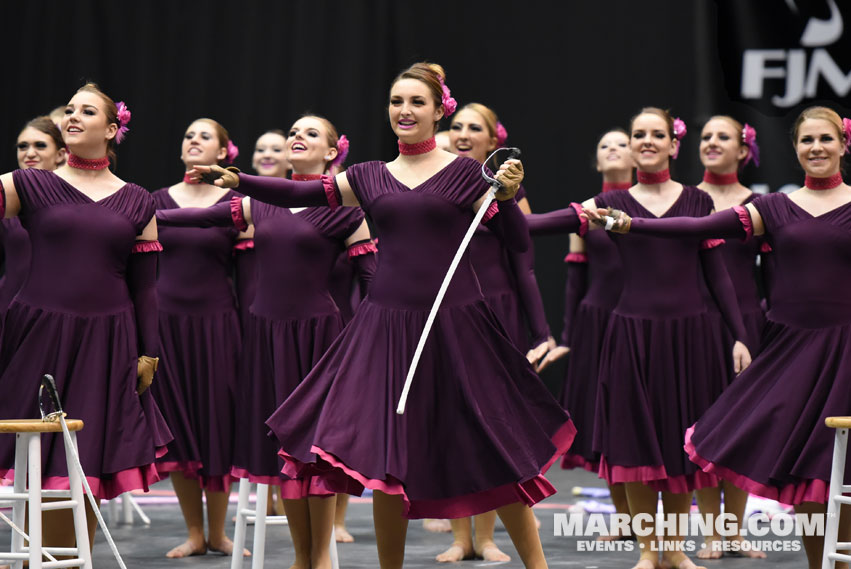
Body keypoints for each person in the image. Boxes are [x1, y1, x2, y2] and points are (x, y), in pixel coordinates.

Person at [189, 62, 574, 569]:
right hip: (385, 328)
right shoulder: (370, 176)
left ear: (440, 111)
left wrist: (503, 195)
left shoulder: (466, 173)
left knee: (492, 451)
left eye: (417, 102)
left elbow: (517, 244)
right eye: (397, 101)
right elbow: (301, 191)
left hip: (456, 326)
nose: (405, 111)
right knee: (387, 460)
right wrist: (243, 181)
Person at [589, 106, 851, 569]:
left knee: (843, 471)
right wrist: (633, 224)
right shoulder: (773, 208)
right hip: (795, 349)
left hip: (845, 349)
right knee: (815, 472)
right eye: (807, 140)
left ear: (843, 144)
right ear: (794, 149)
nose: (816, 148)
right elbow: (698, 227)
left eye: (825, 139)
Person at [159, 114, 375, 568]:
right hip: (266, 338)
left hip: (318, 340)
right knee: (282, 455)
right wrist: (141, 213)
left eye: (310, 134)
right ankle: (301, 556)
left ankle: (320, 556)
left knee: (314, 455)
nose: (297, 137)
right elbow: (200, 219)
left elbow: (373, 282)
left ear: (333, 152)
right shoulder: (258, 203)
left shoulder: (347, 210)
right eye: (294, 131)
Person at [0, 83, 171, 551]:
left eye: (87, 111)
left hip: (108, 339)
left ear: (112, 130)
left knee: (86, 460)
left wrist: (148, 354)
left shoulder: (138, 200)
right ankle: (34, 556)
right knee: (34, 451)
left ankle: (72, 560)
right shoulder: (28, 183)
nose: (72, 117)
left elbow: (146, 287)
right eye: (70, 109)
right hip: (38, 332)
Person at [577, 107, 749, 569]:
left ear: (674, 146)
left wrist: (738, 335)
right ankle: (650, 550)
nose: (648, 141)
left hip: (690, 334)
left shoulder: (697, 202)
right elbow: (548, 226)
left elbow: (719, 276)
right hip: (631, 334)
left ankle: (673, 550)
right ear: (631, 146)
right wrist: (500, 207)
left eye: (658, 135)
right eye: (639, 134)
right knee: (633, 444)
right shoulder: (608, 206)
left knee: (679, 446)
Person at [430, 102, 554, 564]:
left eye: (474, 128)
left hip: (494, 310)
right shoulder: (436, 180)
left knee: (491, 425)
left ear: (492, 141)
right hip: (443, 308)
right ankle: (461, 536)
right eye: (457, 125)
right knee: (450, 421)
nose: (463, 134)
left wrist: (540, 331)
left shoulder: (507, 192)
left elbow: (523, 264)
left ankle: (485, 536)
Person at [534, 128, 634, 540]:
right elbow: (576, 277)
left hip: (644, 319)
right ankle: (627, 518)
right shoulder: (586, 211)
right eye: (603, 145)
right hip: (597, 322)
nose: (612, 149)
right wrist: (569, 337)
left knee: (641, 415)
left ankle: (651, 515)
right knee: (609, 419)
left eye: (621, 143)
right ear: (596, 162)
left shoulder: (654, 204)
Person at [150, 118, 242, 558]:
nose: (193, 140)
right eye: (188, 134)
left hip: (218, 325)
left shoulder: (238, 203)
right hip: (167, 326)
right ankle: (193, 531)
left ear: (223, 152)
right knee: (180, 426)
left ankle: (218, 532)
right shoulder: (153, 201)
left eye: (204, 136)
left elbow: (254, 275)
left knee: (216, 424)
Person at [692, 115, 766, 559]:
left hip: (748, 326)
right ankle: (711, 533)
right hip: (697, 321)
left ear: (744, 151)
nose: (713, 143)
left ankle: (734, 530)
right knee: (702, 427)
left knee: (740, 429)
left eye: (723, 137)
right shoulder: (686, 200)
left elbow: (775, 274)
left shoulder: (760, 205)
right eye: (706, 136)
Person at [1, 117, 66, 325]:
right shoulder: (6, 200)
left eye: (40, 145)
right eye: (22, 146)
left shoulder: (75, 201)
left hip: (58, 313)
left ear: (61, 154)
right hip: (9, 311)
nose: (29, 153)